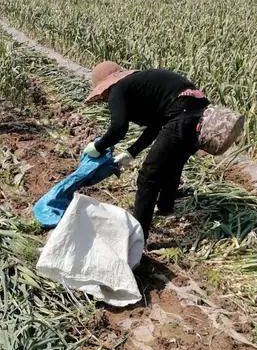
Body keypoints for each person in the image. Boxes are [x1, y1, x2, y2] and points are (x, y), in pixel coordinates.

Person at [84, 61, 209, 243]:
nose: (104, 98)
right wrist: (131, 152)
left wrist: (98, 146)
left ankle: (137, 237)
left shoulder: (119, 89)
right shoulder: (140, 85)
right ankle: (165, 207)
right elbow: (156, 126)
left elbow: (118, 128)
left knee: (148, 176)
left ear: (104, 87)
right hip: (201, 114)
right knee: (173, 164)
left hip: (182, 115)